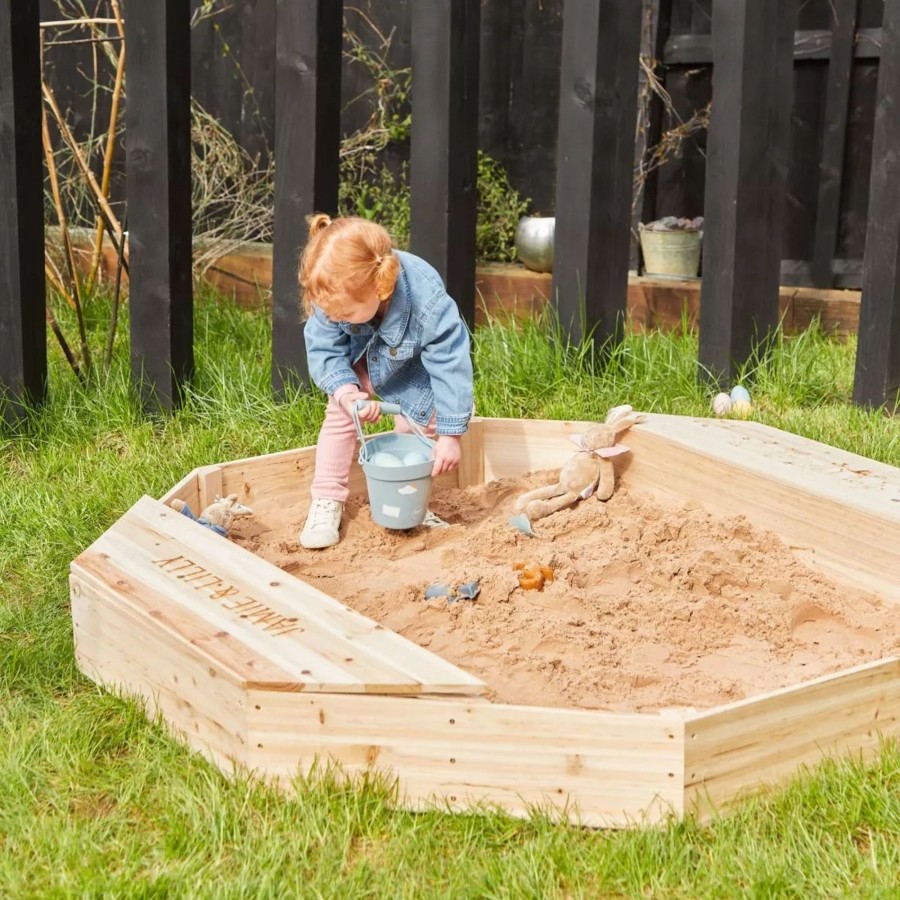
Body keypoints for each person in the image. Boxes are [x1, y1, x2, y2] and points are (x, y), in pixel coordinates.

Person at [298, 214, 474, 549]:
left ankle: (410, 504)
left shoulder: (427, 300)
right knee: (339, 416)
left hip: (413, 368)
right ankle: (327, 499)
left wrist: (451, 436)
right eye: (331, 314)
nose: (336, 319)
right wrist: (349, 395)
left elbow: (451, 363)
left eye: (345, 315)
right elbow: (323, 347)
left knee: (419, 426)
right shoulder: (332, 291)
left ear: (380, 288)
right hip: (360, 358)